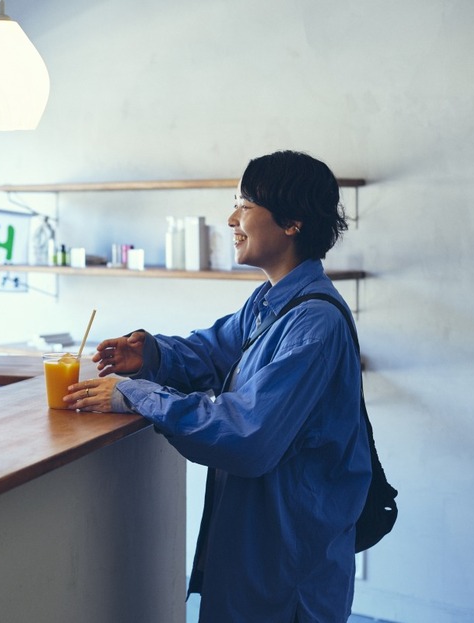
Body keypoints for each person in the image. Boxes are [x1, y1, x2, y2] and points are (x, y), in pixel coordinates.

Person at [66, 150, 371, 622]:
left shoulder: (314, 323)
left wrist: (139, 395)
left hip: (287, 566)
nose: (232, 218)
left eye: (245, 205)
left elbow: (248, 435)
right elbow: (212, 351)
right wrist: (151, 355)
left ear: (292, 222)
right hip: (256, 552)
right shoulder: (272, 302)